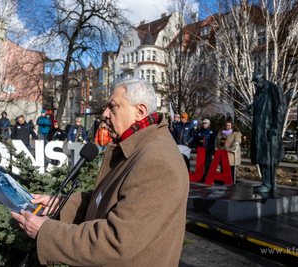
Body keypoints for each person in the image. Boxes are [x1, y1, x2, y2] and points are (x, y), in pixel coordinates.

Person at [11, 78, 189, 267]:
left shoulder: (156, 161)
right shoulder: (139, 146)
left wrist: (46, 232)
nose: (104, 114)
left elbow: (115, 239)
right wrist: (60, 205)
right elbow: (110, 198)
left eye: (113, 107)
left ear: (140, 111)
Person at [247, 72, 286, 193]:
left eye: (257, 82)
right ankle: (269, 183)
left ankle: (268, 184)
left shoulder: (274, 89)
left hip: (269, 130)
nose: (255, 85)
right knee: (261, 157)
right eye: (254, 82)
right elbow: (257, 108)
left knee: (268, 158)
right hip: (259, 129)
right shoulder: (258, 91)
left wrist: (276, 127)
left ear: (263, 79)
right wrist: (251, 109)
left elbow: (280, 109)